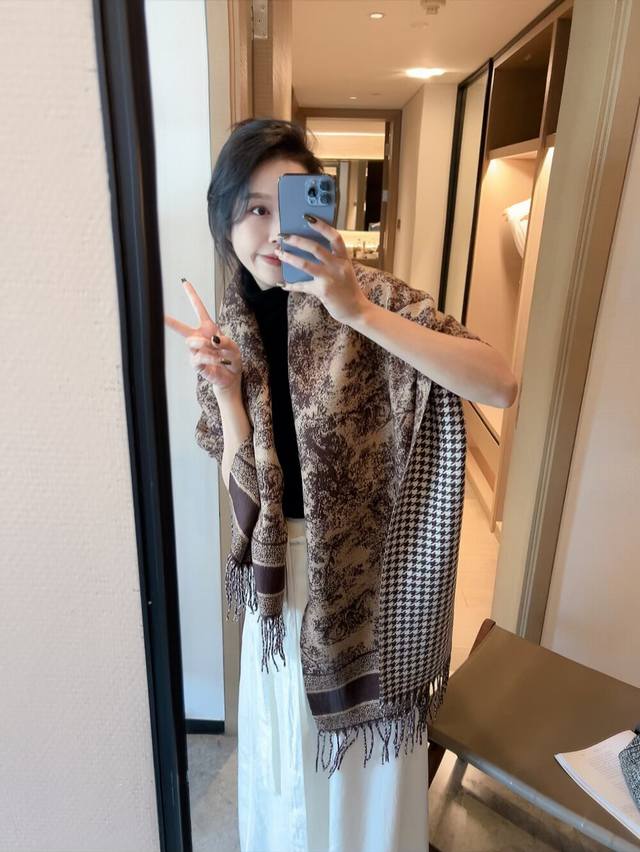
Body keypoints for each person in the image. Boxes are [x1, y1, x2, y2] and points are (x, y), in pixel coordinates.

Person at [165, 118, 517, 852]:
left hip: (376, 582)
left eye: (291, 204)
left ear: (320, 211)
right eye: (253, 208)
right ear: (224, 220)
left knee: (365, 777)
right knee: (290, 769)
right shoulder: (229, 329)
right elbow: (245, 497)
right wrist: (228, 394)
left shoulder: (371, 295)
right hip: (282, 588)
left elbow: (499, 382)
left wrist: (356, 311)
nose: (273, 230)